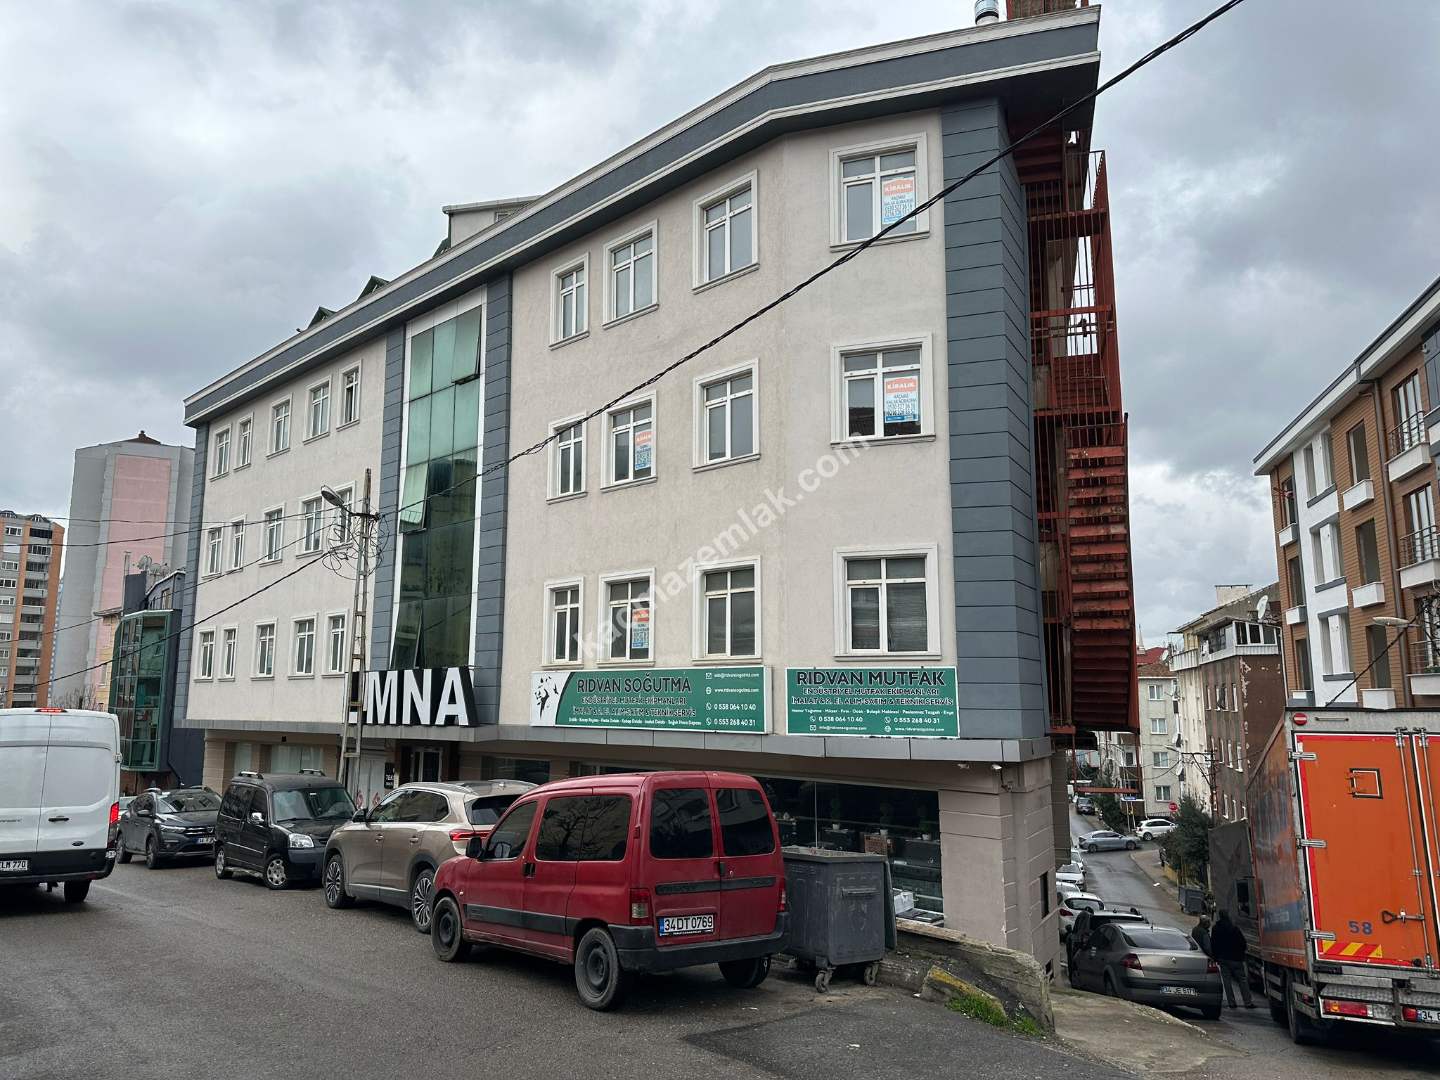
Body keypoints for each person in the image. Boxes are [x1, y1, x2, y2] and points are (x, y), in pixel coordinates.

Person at [1210, 910, 1255, 1008]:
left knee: (1227, 981)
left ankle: (1231, 1002)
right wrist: (1241, 954)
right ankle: (1247, 1002)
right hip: (1236, 959)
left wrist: (1215, 957)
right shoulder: (1234, 928)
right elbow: (1242, 943)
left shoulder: (1216, 929)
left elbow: (1213, 944)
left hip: (1223, 958)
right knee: (1242, 980)